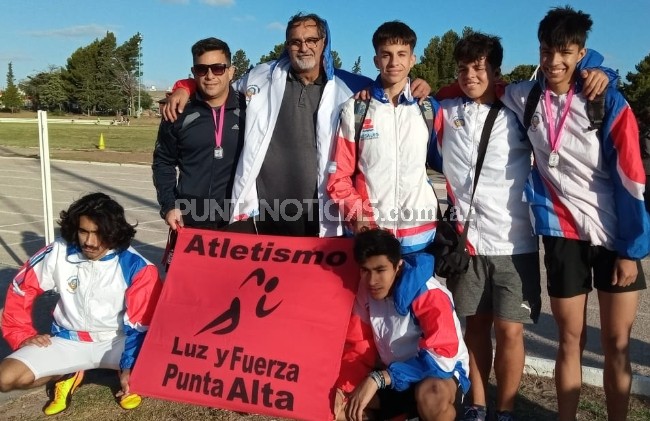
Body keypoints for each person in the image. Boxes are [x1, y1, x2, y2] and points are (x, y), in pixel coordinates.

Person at [496, 7, 650, 421]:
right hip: (562, 233)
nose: (554, 62)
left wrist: (632, 250)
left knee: (617, 345)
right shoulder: (525, 95)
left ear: (581, 52)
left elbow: (633, 177)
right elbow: (476, 86)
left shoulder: (607, 99)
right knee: (570, 340)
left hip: (617, 237)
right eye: (547, 51)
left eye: (565, 52)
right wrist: (422, 89)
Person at [161, 13, 431, 238]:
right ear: (287, 45)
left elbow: (393, 83)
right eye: (295, 41)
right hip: (266, 212)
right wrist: (184, 86)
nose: (304, 47)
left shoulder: (352, 87)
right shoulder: (262, 75)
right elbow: (217, 87)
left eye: (312, 40)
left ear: (324, 42)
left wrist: (418, 84)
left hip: (321, 212)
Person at [429, 33, 540, 421]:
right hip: (468, 244)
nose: (470, 75)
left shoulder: (519, 110)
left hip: (515, 241)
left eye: (479, 67)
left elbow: (565, 82)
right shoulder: (445, 108)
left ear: (496, 71)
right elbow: (411, 96)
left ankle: (506, 409)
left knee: (511, 332)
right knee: (474, 327)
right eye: (463, 68)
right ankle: (477, 402)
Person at [0, 193, 162, 415]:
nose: (89, 241)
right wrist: (21, 334)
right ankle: (67, 373)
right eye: (84, 231)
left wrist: (129, 366)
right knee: (6, 378)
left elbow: (141, 325)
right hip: (68, 341)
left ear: (113, 232)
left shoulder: (139, 267)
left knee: (160, 369)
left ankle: (122, 370)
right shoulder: (58, 251)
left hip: (116, 342)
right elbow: (21, 288)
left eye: (99, 233)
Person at [327, 21, 440, 254]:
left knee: (416, 292)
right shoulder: (356, 109)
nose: (394, 62)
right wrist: (358, 215)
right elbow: (339, 177)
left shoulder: (428, 108)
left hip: (420, 233)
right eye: (386, 55)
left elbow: (450, 165)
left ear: (413, 59)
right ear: (376, 61)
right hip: (371, 232)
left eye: (402, 54)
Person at [333, 229, 469, 421]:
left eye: (380, 270)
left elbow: (442, 359)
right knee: (335, 407)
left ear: (398, 266)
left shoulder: (429, 292)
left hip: (435, 376)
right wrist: (342, 388)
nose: (372, 281)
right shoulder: (364, 291)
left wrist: (379, 378)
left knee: (430, 395)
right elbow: (358, 347)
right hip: (393, 377)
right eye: (365, 270)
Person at [152, 37, 246, 231]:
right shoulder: (177, 112)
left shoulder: (250, 109)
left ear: (231, 72)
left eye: (218, 68)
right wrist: (169, 206)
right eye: (202, 69)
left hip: (238, 218)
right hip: (189, 219)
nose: (210, 75)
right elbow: (163, 162)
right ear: (194, 73)